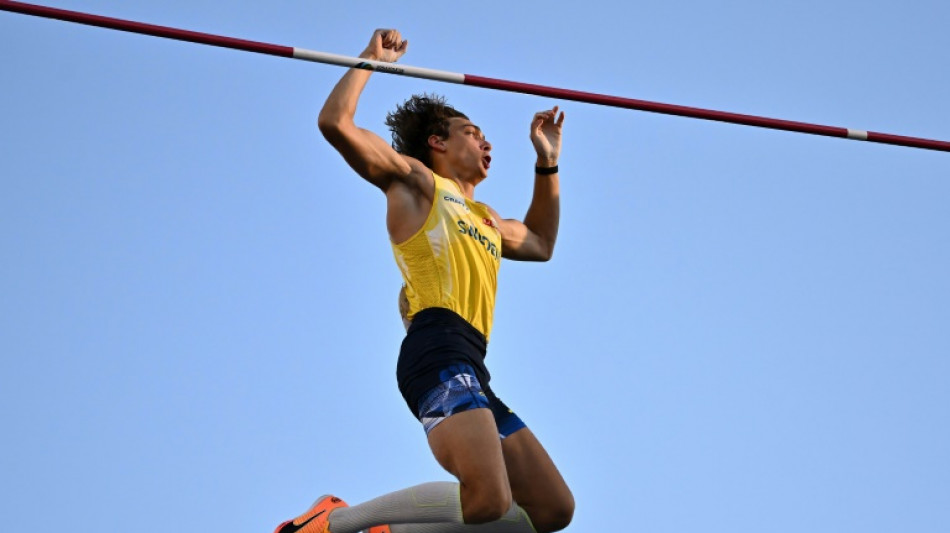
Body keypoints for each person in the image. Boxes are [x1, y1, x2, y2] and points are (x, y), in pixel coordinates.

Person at [273, 28, 573, 533]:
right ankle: (336, 522)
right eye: (471, 131)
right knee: (488, 500)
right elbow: (335, 122)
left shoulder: (488, 220)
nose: (486, 140)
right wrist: (370, 59)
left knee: (549, 511)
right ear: (437, 142)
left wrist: (548, 162)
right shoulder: (417, 183)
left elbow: (541, 243)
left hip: (472, 364)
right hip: (436, 352)